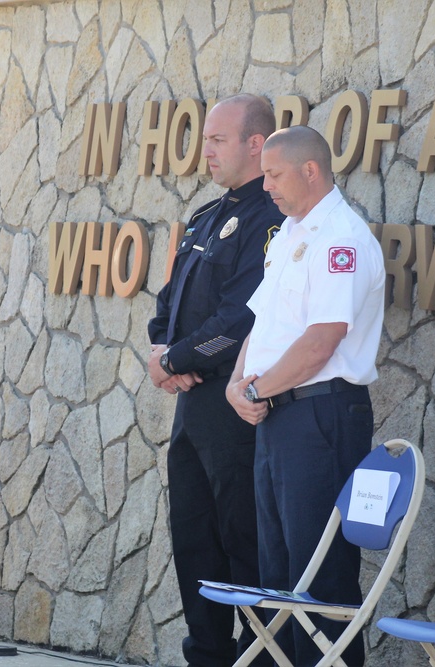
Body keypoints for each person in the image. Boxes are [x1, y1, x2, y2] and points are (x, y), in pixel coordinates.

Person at [226, 125, 385, 667]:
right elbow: (263, 324)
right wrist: (237, 384)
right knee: (277, 576)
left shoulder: (340, 237)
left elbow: (322, 341)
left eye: (273, 174)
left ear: (310, 170)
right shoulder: (291, 233)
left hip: (320, 417)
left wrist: (255, 389)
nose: (265, 185)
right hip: (278, 416)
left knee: (319, 578)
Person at [147, 94, 283, 667]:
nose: (205, 150)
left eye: (218, 140)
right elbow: (169, 300)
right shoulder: (206, 216)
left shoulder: (269, 219)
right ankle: (206, 655)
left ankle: (258, 656)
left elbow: (244, 313)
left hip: (236, 411)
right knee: (195, 540)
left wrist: (176, 360)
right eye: (205, 139)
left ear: (256, 144)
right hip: (191, 409)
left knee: (243, 543)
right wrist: (162, 351)